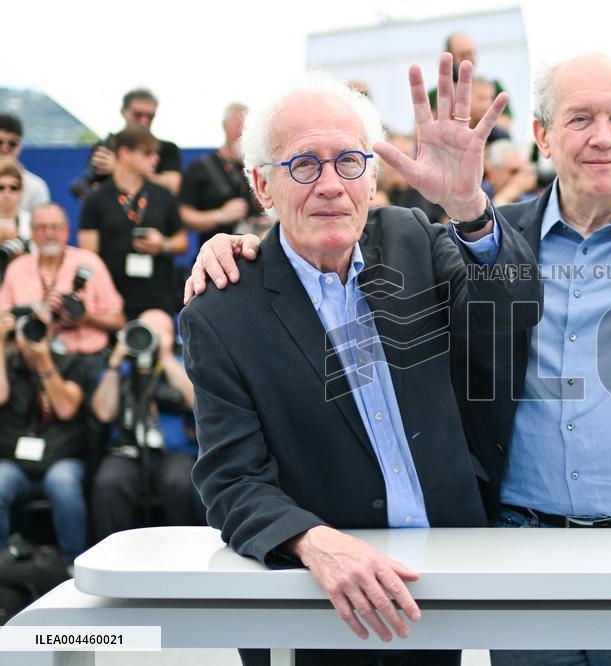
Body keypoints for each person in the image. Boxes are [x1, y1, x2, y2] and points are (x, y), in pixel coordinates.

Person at [192, 53, 611, 666]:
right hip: (515, 552)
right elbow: (482, 289)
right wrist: (244, 245)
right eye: (580, 118)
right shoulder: (481, 231)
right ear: (541, 135)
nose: (603, 136)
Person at [181, 55, 540, 666]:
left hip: (438, 585)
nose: (330, 185)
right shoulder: (221, 311)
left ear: (372, 178)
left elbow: (514, 312)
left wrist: (471, 210)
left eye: (349, 161)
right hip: (315, 601)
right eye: (302, 164)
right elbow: (231, 479)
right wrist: (314, 543)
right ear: (262, 185)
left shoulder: (416, 238)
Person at [90, 309, 200, 541]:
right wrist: (115, 362)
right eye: (144, 328)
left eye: (159, 331)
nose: (150, 336)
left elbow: (197, 403)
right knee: (108, 483)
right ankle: (111, 558)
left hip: (175, 452)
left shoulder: (183, 364)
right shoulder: (121, 368)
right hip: (127, 450)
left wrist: (167, 358)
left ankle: (186, 552)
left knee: (180, 483)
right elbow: (103, 412)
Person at [0, 306, 95, 561]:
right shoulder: (7, 361)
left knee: (63, 484)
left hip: (60, 459)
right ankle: (3, 566)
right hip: (15, 463)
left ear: (52, 330)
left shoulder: (71, 363)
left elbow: (65, 409)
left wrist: (43, 362)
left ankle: (74, 562)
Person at [78, 127, 188, 318]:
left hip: (157, 299)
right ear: (124, 153)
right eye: (147, 153)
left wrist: (163, 244)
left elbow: (182, 242)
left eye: (156, 153)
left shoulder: (163, 195)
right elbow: (89, 256)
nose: (155, 159)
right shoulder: (95, 199)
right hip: (111, 301)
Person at [0, 204, 125, 359]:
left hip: (84, 357)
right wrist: (34, 313)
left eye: (55, 227)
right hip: (30, 357)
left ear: (66, 231)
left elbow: (118, 321)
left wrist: (85, 317)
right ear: (32, 234)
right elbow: (3, 316)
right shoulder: (17, 268)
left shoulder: (89, 263)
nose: (49, 234)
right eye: (41, 228)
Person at [180, 103, 266, 246]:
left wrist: (251, 165)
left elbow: (267, 205)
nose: (241, 133)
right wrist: (219, 216)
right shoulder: (201, 166)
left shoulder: (256, 165)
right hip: (215, 253)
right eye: (238, 126)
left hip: (255, 251)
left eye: (247, 129)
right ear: (225, 126)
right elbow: (183, 215)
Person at [72, 89, 183, 199]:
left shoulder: (167, 148)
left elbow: (173, 185)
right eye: (138, 115)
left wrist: (118, 168)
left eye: (150, 116)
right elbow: (90, 185)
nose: (144, 121)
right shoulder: (106, 146)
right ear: (124, 112)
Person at [429, 32, 512, 130]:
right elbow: (421, 129)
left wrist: (476, 117)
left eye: (472, 53)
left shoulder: (492, 86)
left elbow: (507, 124)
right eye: (463, 54)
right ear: (450, 56)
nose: (469, 59)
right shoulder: (436, 94)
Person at [0, 113, 51, 213]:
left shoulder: (36, 186)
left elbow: (41, 223)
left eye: (12, 144)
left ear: (20, 146)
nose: (5, 148)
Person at [0, 159, 31, 281]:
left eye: (13, 187)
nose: (7, 193)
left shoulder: (31, 221)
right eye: (1, 187)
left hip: (22, 282)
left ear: (21, 191)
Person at [483, 139, 537, 206]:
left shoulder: (527, 197)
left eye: (521, 170)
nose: (519, 177)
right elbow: (490, 215)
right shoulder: (478, 195)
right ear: (491, 173)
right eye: (514, 172)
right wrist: (508, 194)